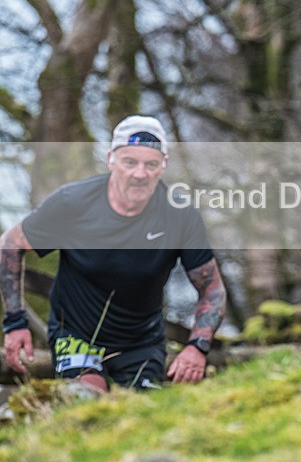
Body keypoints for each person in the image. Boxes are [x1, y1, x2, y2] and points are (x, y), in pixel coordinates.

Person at [0, 115, 227, 391]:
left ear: (163, 165)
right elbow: (10, 245)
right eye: (130, 162)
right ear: (111, 160)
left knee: (138, 419)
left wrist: (197, 347)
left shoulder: (180, 216)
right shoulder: (73, 203)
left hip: (141, 342)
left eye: (150, 164)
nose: (139, 174)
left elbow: (212, 290)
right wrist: (15, 323)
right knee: (86, 398)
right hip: (76, 334)